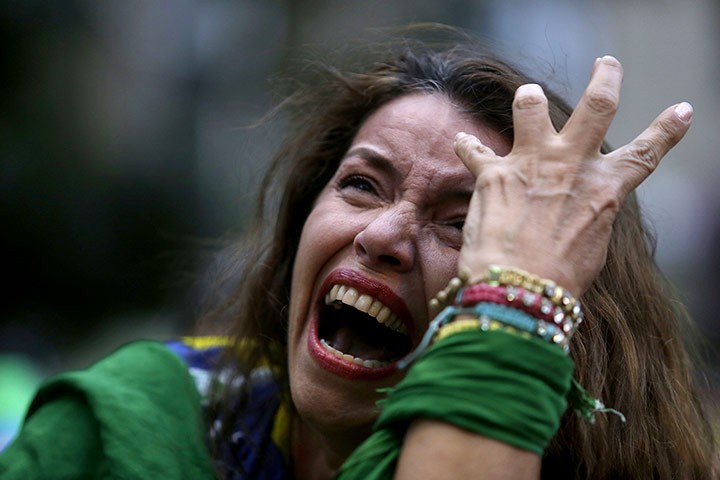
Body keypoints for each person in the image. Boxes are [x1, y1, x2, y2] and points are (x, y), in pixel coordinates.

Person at [1, 27, 717, 479]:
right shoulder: (119, 429)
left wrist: (517, 301)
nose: (381, 236)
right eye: (362, 185)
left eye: (463, 223)